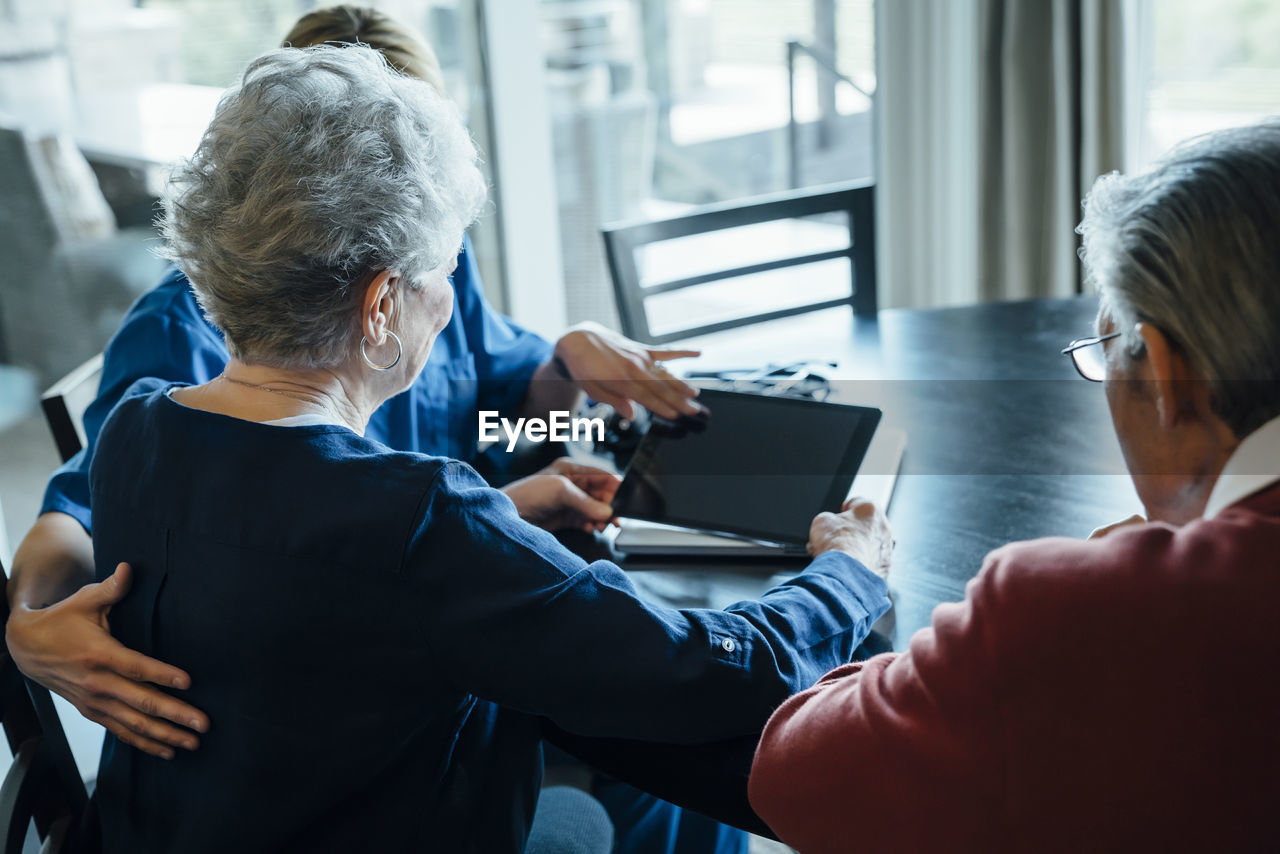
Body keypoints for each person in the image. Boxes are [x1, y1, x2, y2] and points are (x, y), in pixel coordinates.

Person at [75, 44, 892, 853]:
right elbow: (723, 676)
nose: (450, 298)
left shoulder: (134, 432)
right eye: (445, 271)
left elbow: (305, 578)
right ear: (383, 305)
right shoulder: (418, 519)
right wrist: (848, 571)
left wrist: (493, 520)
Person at [747, 121, 1280, 852]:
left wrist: (1038, 617)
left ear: (1163, 375)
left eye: (1106, 353)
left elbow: (790, 776)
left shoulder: (1071, 612)